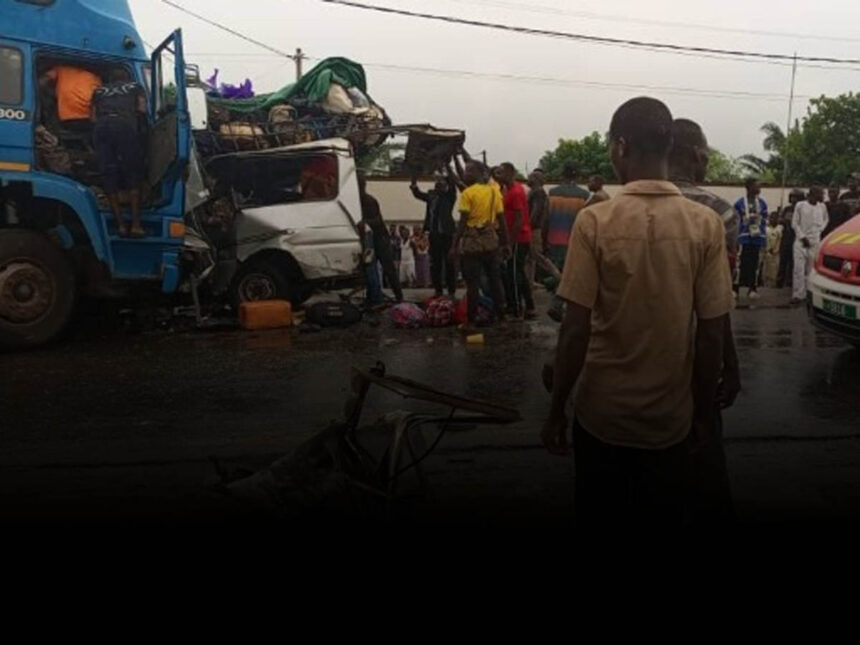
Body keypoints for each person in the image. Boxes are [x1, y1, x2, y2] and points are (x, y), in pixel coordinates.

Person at [542, 97, 733, 526]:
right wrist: (703, 412)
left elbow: (575, 331)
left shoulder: (596, 221)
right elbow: (711, 334)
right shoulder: (706, 224)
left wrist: (557, 411)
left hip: (601, 418)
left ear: (621, 147)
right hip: (671, 422)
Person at [667, 117, 740, 521]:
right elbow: (715, 308)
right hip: (696, 363)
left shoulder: (608, 210)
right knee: (705, 471)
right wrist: (730, 366)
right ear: (697, 156)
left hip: (631, 367)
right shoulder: (719, 212)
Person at [452, 160, 509, 330]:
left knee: (473, 284)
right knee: (495, 281)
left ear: (478, 173)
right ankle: (502, 318)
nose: (466, 174)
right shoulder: (494, 192)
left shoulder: (467, 194)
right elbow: (502, 220)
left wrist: (455, 244)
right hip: (491, 242)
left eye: (469, 171)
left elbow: (462, 223)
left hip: (472, 244)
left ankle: (471, 321)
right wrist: (505, 243)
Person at [91, 68, 147, 237]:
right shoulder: (135, 86)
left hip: (102, 127)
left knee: (108, 173)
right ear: (127, 77)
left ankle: (121, 226)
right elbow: (142, 109)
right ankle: (136, 225)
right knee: (133, 171)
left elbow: (93, 118)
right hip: (124, 126)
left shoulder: (98, 91)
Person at [545, 162, 590, 321]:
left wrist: (544, 240)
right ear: (576, 176)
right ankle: (557, 304)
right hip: (572, 240)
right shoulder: (583, 195)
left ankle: (556, 301)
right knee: (567, 274)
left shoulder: (552, 192)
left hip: (553, 238)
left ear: (562, 174)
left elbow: (546, 218)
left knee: (557, 272)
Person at [358, 172, 403, 302]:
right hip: (369, 240)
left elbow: (377, 221)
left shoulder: (369, 200)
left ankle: (399, 296)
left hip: (380, 238)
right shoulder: (357, 201)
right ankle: (373, 296)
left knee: (388, 268)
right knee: (369, 268)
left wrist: (364, 222)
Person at [498, 162, 536, 319]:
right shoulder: (509, 190)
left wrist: (509, 242)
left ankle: (516, 309)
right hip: (517, 238)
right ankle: (529, 307)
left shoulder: (516, 192)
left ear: (509, 173)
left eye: (501, 173)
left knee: (513, 274)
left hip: (518, 239)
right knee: (518, 272)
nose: (498, 176)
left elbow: (519, 220)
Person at [410, 173, 457, 297]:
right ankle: (438, 290)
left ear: (445, 186)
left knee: (449, 263)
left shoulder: (449, 196)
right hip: (434, 234)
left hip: (447, 233)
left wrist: (448, 169)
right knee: (435, 263)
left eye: (441, 184)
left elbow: (453, 183)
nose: (438, 185)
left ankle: (451, 290)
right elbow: (417, 194)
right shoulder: (432, 196)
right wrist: (414, 180)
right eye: (437, 184)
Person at [791, 186, 829, 305]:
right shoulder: (800, 205)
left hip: (815, 241)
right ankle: (798, 295)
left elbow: (826, 220)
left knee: (811, 269)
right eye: (821, 194)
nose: (823, 196)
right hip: (801, 241)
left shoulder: (822, 207)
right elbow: (794, 223)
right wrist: (802, 237)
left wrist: (819, 230)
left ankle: (809, 294)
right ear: (813, 194)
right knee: (798, 269)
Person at [524, 170, 561, 287]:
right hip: (533, 228)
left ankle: (560, 278)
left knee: (538, 257)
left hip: (534, 229)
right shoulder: (534, 192)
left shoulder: (538, 192)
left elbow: (536, 210)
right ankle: (529, 283)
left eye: (530, 177)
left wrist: (528, 226)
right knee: (530, 258)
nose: (527, 180)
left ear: (535, 179)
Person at [734, 177, 768, 300]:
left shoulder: (762, 203)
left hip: (758, 237)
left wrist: (757, 218)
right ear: (748, 187)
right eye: (757, 186)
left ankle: (752, 288)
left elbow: (765, 219)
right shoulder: (739, 203)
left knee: (756, 263)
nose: (759, 189)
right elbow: (735, 221)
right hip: (743, 237)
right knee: (739, 263)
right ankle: (735, 288)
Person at [41, 65, 102, 131]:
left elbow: (43, 81)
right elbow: (98, 100)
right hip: (87, 118)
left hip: (68, 119)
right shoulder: (95, 78)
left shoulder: (61, 70)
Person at [777, 189, 803, 288]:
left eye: (796, 197)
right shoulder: (787, 209)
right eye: (792, 197)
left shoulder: (801, 210)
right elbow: (779, 220)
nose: (793, 199)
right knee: (783, 259)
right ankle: (779, 281)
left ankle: (790, 282)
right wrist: (784, 220)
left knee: (793, 262)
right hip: (786, 237)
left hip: (796, 237)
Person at [763, 213, 783, 287]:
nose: (773, 220)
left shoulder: (780, 228)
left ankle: (773, 283)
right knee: (766, 268)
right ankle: (765, 283)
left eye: (775, 218)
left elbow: (780, 241)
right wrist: (768, 249)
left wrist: (775, 250)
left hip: (776, 252)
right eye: (771, 218)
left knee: (775, 268)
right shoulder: (766, 229)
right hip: (767, 251)